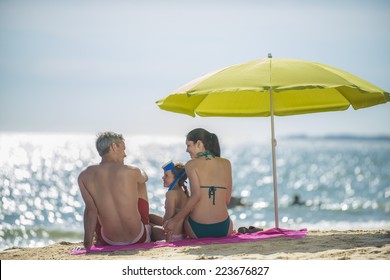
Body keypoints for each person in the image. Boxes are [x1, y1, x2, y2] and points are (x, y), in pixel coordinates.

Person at [77, 132, 151, 250]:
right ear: (113, 147)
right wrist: (140, 171)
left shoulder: (84, 175)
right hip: (138, 237)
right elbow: (145, 177)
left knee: (93, 205)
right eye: (123, 149)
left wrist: (87, 246)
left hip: (109, 240)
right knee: (140, 184)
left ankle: (93, 239)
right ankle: (149, 222)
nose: (125, 154)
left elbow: (90, 212)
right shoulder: (132, 171)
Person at [163, 128, 233, 239]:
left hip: (198, 229)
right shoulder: (226, 163)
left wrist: (175, 220)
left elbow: (196, 196)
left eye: (188, 145)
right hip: (224, 227)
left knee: (182, 217)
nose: (187, 150)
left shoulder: (191, 164)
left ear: (199, 143)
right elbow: (227, 200)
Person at [152, 161, 189, 242]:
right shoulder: (183, 192)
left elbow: (168, 218)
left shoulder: (171, 194)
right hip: (181, 234)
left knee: (150, 227)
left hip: (172, 236)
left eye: (166, 175)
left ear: (176, 178)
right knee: (150, 216)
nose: (163, 177)